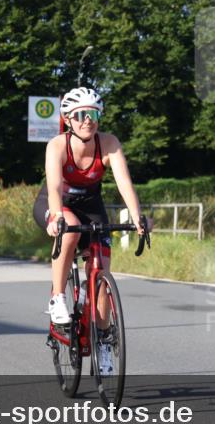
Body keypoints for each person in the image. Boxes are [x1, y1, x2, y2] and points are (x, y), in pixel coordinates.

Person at [32, 87, 146, 339]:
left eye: (93, 115)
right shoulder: (57, 145)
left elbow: (124, 183)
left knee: (101, 274)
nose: (87, 120)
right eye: (81, 114)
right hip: (56, 204)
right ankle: (58, 298)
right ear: (69, 119)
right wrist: (56, 217)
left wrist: (137, 217)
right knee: (69, 229)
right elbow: (53, 187)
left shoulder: (109, 143)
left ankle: (104, 340)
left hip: (91, 207)